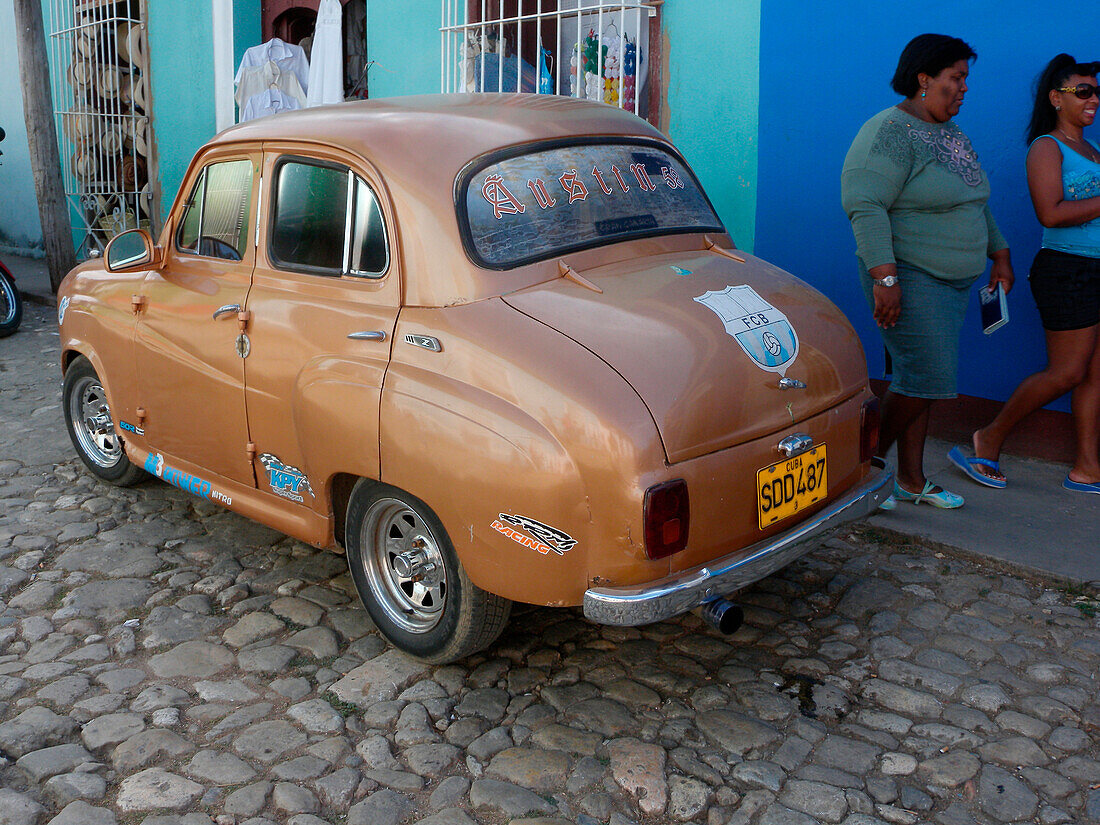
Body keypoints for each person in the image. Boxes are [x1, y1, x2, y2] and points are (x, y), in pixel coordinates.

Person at [842, 34, 1014, 510]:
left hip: (954, 282)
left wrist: (999, 254)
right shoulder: (890, 132)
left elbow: (975, 200)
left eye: (965, 79)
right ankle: (864, 472)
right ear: (924, 78)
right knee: (926, 377)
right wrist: (886, 278)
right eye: (955, 78)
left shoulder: (951, 133)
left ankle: (911, 481)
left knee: (919, 379)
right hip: (910, 275)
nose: (963, 88)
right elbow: (865, 204)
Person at [949, 55, 1100, 494]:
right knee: (1068, 372)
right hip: (1067, 269)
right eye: (1083, 91)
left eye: (1096, 92)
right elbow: (1049, 214)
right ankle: (989, 437)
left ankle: (1088, 468)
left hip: (1095, 268)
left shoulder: (1092, 151)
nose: (1093, 99)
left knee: (1095, 375)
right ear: (1056, 98)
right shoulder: (1047, 147)